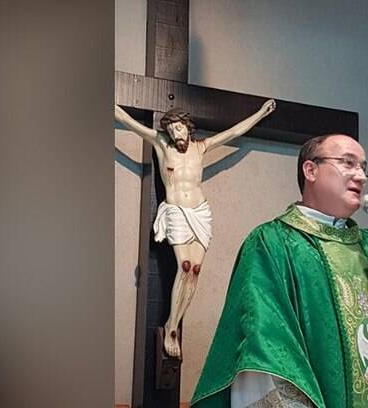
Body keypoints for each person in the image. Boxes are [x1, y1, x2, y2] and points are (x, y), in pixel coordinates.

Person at [191, 134, 368, 407]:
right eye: (348, 163)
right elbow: (265, 342)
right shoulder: (272, 243)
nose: (360, 176)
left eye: (363, 167)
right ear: (310, 170)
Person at [114, 99, 276, 358]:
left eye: (180, 128)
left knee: (196, 270)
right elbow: (128, 122)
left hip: (199, 212)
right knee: (185, 266)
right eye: (173, 130)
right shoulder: (161, 144)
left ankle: (174, 323)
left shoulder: (201, 148)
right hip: (177, 210)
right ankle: (171, 327)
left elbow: (233, 132)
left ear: (188, 128)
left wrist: (258, 114)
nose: (176, 133)